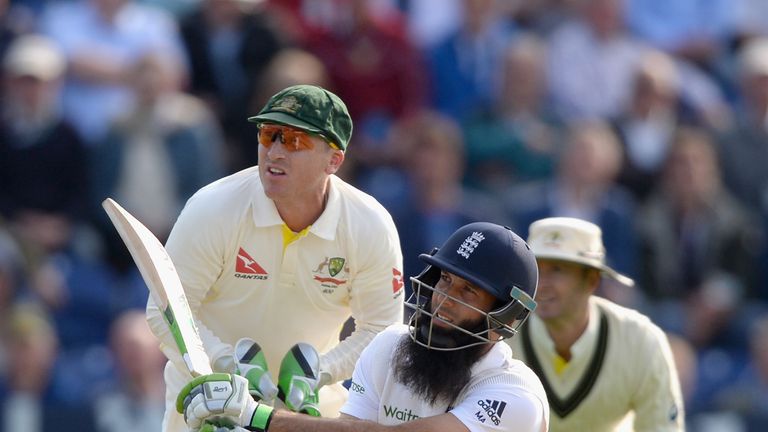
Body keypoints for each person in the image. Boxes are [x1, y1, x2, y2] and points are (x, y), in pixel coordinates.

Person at [146, 84, 405, 431]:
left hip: (305, 415)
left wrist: (318, 372)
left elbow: (382, 332)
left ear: (335, 159)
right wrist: (227, 366)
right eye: (269, 135)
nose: (275, 153)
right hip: (209, 406)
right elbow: (165, 311)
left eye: (295, 141)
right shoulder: (214, 208)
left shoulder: (369, 225)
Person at [175, 222, 549, 432]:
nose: (444, 299)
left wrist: (256, 415)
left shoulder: (515, 396)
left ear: (503, 317)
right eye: (445, 281)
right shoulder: (390, 347)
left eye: (468, 291)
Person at [508, 217, 684, 431]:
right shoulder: (500, 337)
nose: (541, 284)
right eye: (535, 269)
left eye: (557, 270)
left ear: (592, 280)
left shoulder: (640, 340)